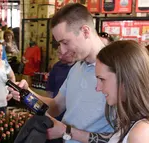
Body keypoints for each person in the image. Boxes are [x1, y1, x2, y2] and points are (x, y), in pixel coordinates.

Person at [9, 3, 114, 143]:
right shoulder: (77, 68)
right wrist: (27, 94)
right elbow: (55, 107)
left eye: (66, 42)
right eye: (60, 44)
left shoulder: (118, 70)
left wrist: (68, 132)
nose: (62, 51)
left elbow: (127, 136)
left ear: (85, 31)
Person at [95, 40, 149, 143]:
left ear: (125, 77)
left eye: (102, 79)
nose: (98, 88)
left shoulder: (141, 133)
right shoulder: (131, 120)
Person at [46, 46, 75, 121]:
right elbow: (50, 90)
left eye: (61, 54)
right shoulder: (57, 66)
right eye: (58, 53)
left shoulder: (79, 68)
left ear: (72, 53)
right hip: (57, 108)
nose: (59, 57)